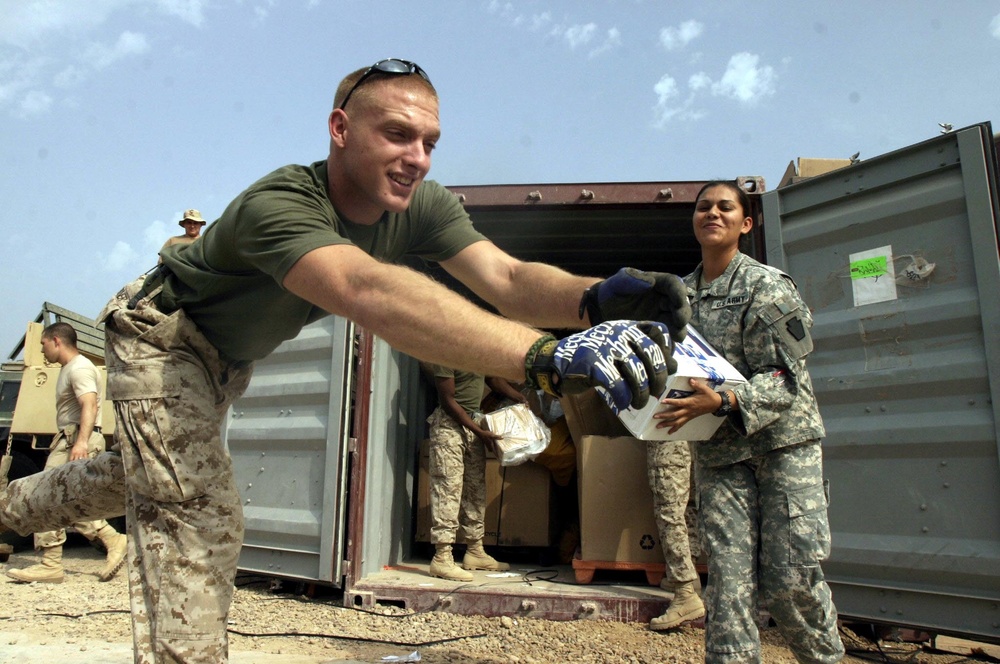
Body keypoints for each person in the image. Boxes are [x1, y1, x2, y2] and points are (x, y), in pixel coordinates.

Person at [0, 58, 689, 664]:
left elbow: (505, 280)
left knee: (139, 477)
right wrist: (546, 352)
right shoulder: (282, 203)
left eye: (430, 142)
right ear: (339, 129)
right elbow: (367, 290)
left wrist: (594, 300)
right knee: (196, 514)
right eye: (397, 134)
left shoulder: (419, 205)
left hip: (219, 364)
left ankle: (7, 507)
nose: (417, 157)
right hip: (163, 339)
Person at [654, 181, 844, 663]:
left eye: (724, 207)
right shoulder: (682, 300)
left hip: (783, 449)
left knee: (789, 582)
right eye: (703, 207)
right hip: (721, 456)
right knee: (728, 590)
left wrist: (720, 401)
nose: (711, 214)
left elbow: (785, 380)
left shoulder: (767, 286)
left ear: (746, 222)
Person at [5, 322, 127, 585]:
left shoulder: (80, 367)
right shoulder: (69, 369)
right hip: (69, 438)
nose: (43, 350)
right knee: (64, 501)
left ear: (57, 341)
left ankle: (51, 564)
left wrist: (81, 443)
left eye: (44, 344)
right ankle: (111, 539)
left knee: (45, 496)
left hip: (76, 439)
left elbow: (90, 404)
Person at [421, 363, 525, 581]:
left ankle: (475, 551)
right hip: (449, 426)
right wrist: (479, 431)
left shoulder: (473, 353)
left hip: (473, 423)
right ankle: (442, 557)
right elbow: (448, 401)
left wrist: (519, 398)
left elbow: (492, 378)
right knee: (448, 489)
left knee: (475, 489)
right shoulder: (444, 354)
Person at [645, 438, 705, 630]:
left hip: (669, 433)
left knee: (669, 510)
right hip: (698, 434)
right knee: (690, 505)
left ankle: (684, 591)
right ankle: (691, 576)